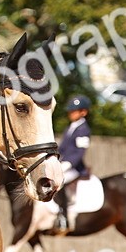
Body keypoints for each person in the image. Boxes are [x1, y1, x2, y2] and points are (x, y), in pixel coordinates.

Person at [52, 94, 91, 233]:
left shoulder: (83, 129)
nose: (71, 113)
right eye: (70, 110)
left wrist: (66, 165)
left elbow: (80, 152)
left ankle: (63, 217)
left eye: (74, 111)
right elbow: (63, 148)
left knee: (59, 181)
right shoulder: (71, 127)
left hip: (75, 168)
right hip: (64, 163)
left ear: (83, 112)